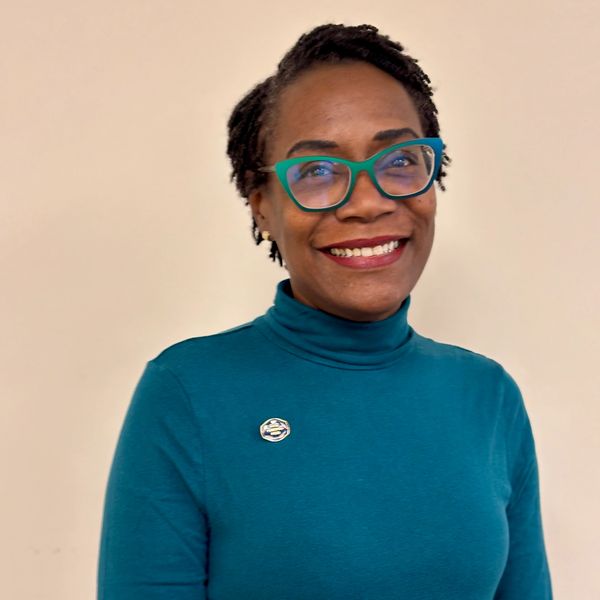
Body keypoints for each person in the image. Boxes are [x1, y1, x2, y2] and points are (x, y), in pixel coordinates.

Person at [97, 23, 553, 599]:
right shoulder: (187, 392)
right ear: (262, 207)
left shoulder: (488, 396)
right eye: (316, 171)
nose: (368, 202)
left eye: (399, 159)